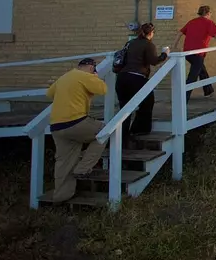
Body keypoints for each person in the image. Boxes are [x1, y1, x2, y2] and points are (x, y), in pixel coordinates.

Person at [46, 57, 108, 202]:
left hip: (56, 126)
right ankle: (83, 168)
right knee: (103, 132)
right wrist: (95, 77)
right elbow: (103, 89)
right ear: (91, 67)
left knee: (64, 162)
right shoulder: (85, 76)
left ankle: (61, 197)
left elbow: (49, 93)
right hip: (75, 121)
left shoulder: (65, 77)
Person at [115, 23, 169, 143]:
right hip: (137, 78)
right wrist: (165, 54)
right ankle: (139, 129)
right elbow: (154, 61)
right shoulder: (148, 44)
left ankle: (121, 137)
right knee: (148, 102)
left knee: (124, 108)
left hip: (122, 77)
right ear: (151, 33)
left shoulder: (130, 43)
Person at [172, 5, 216, 102]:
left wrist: (174, 46)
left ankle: (208, 91)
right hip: (198, 53)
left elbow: (180, 33)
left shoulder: (192, 22)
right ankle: (183, 98)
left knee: (202, 70)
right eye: (210, 14)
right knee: (193, 76)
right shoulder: (209, 23)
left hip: (187, 53)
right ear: (208, 13)